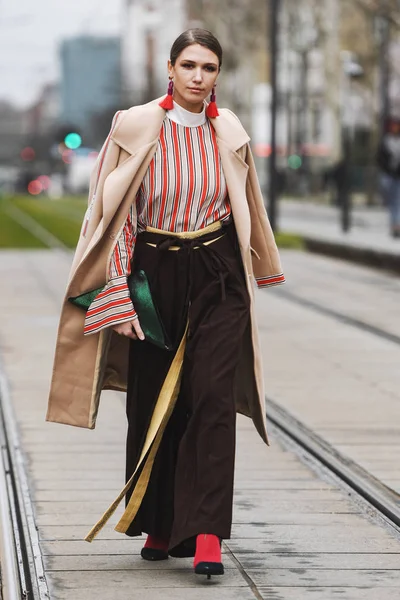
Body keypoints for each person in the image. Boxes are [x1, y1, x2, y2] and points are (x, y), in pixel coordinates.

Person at [46, 29, 285, 578]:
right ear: (170, 70)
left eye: (209, 67)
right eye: (190, 65)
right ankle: (158, 519)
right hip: (152, 273)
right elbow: (114, 213)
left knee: (212, 398)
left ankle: (205, 533)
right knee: (153, 398)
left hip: (217, 272)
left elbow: (246, 204)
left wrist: (258, 261)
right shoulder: (133, 126)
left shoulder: (229, 131)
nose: (199, 76)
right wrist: (121, 297)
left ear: (218, 75)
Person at [377, 118, 400, 238]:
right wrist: (386, 168)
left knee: (396, 201)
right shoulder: (385, 142)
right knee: (390, 200)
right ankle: (394, 224)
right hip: (387, 175)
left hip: (397, 176)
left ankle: (396, 225)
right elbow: (380, 158)